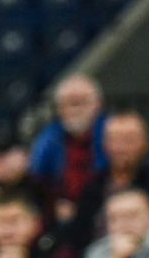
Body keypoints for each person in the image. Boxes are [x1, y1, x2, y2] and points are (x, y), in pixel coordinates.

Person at [65, 110, 149, 250]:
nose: (120, 148)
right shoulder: (92, 186)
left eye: (128, 140)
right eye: (113, 140)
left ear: (144, 143)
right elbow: (78, 236)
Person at [31, 75, 107, 226]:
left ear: (98, 105)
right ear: (59, 108)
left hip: (104, 209)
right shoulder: (47, 139)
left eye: (82, 102)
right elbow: (38, 181)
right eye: (70, 103)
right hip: (60, 216)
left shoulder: (111, 134)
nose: (76, 110)